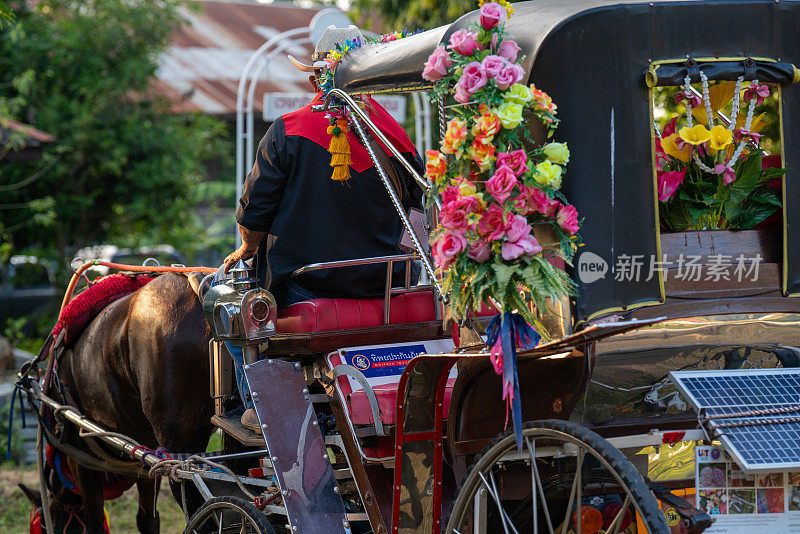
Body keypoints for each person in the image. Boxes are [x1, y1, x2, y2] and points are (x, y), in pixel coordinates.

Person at [222, 25, 423, 433]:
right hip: (385, 286)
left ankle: (258, 407)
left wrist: (246, 247)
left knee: (225, 305)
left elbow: (254, 216)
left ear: (317, 77)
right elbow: (415, 214)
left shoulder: (288, 130)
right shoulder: (396, 137)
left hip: (307, 287)